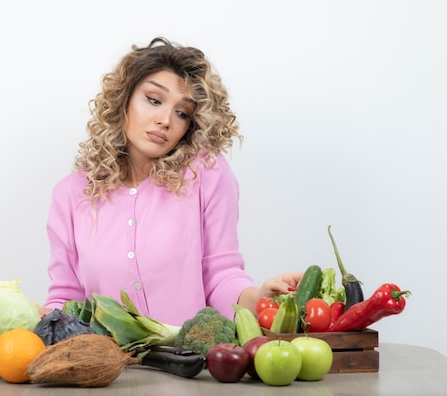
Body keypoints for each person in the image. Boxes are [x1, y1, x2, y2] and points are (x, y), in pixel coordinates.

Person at [42, 37, 302, 326]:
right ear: (124, 99)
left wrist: (263, 296)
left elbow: (221, 277)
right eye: (153, 100)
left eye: (182, 113)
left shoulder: (206, 173)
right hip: (109, 366)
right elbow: (67, 298)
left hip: (190, 364)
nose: (165, 120)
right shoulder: (72, 193)